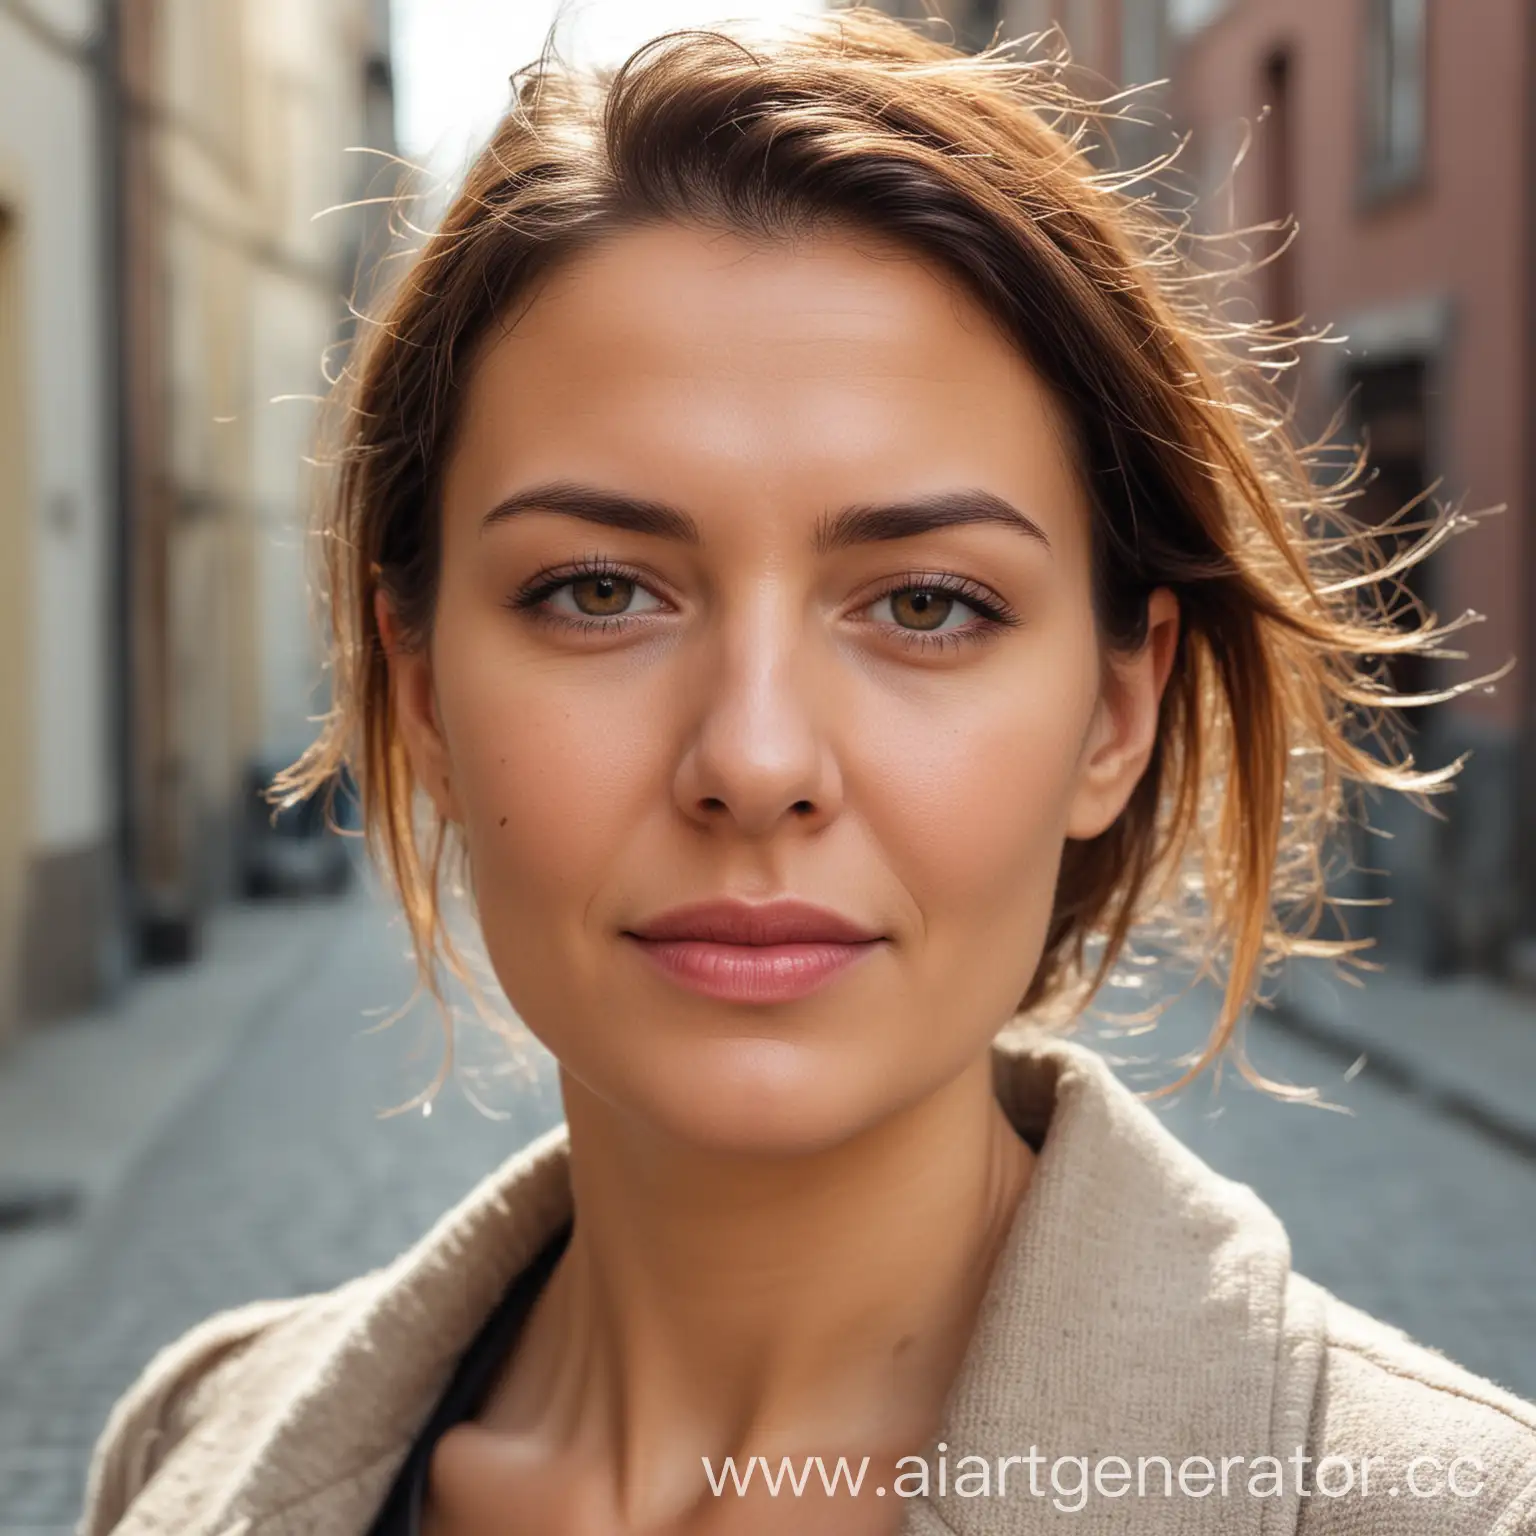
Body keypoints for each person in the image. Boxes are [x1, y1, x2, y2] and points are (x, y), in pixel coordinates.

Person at [80, 9, 1536, 1533]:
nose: (756, 762)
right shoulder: (190, 1452)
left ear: (1117, 715)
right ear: (424, 690)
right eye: (597, 590)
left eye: (926, 605)